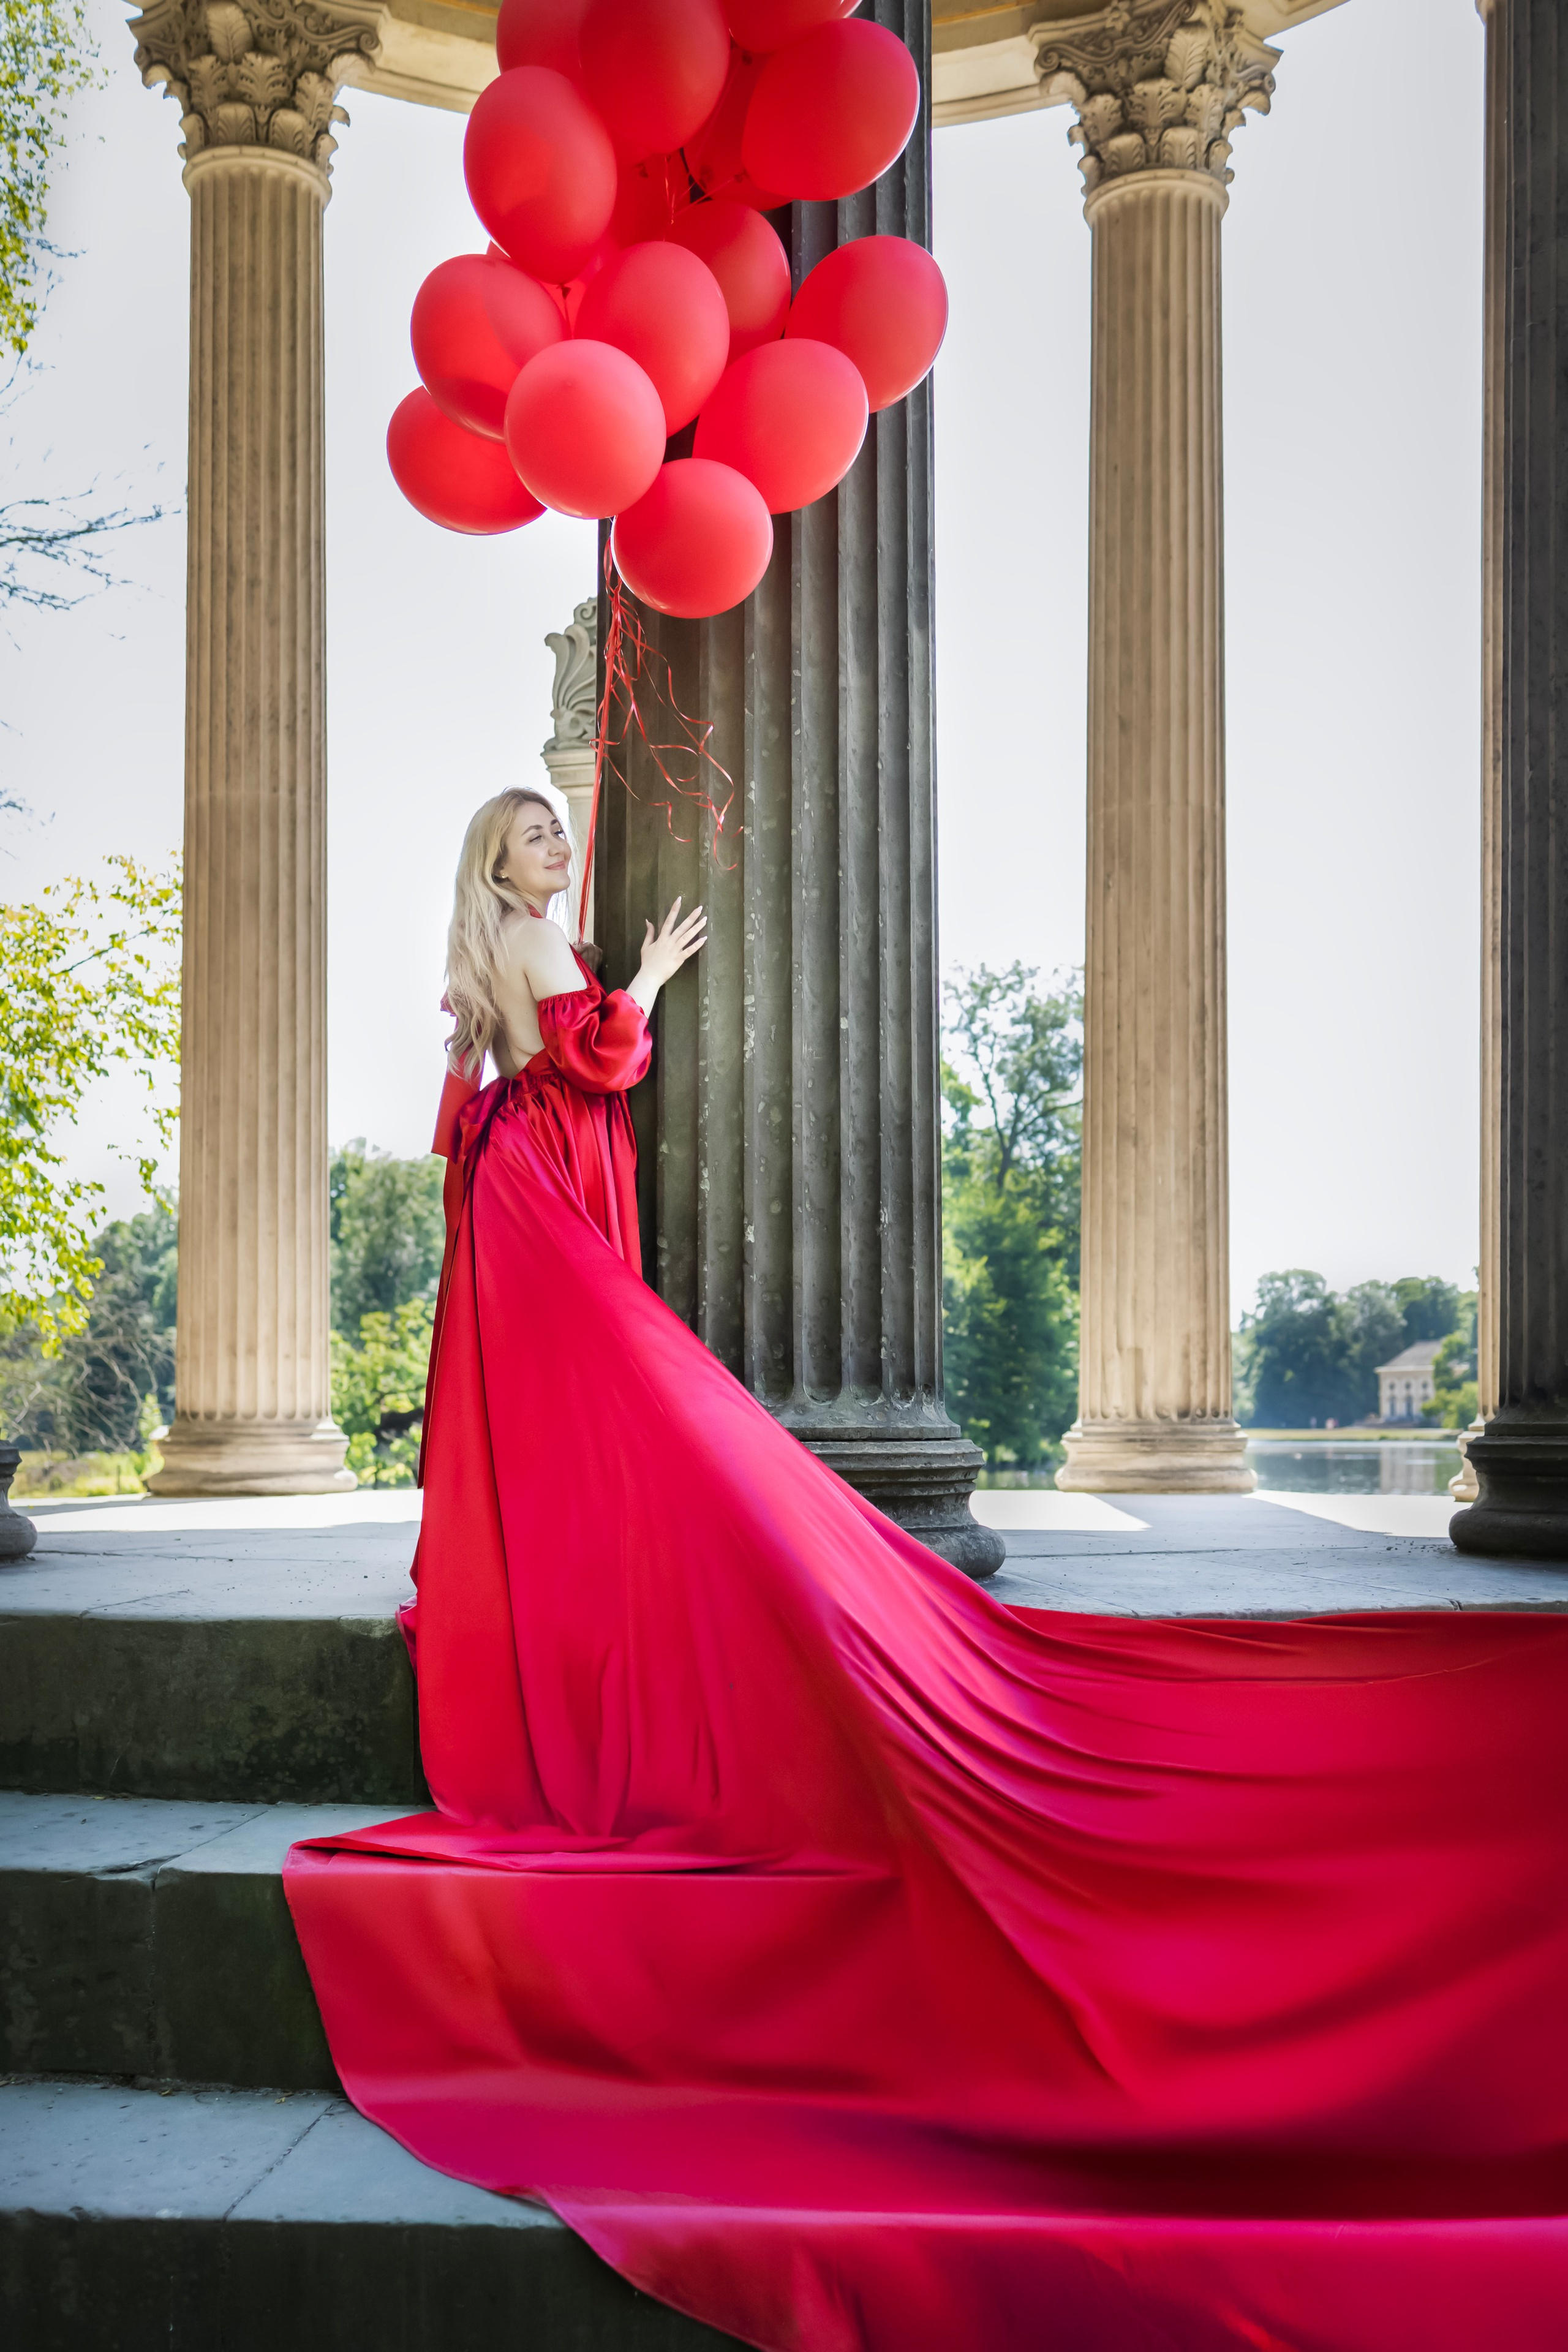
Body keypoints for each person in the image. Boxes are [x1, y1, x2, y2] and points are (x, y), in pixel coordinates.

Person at [285, 793, 1568, 2352]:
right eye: (537, 835)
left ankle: (547, 1571)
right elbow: (605, 1059)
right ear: (500, 859)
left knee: (565, 1408)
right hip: (544, 1182)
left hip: (505, 1186)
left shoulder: (478, 945)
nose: (558, 850)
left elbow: (474, 1095)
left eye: (560, 832)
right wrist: (654, 977)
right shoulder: (543, 943)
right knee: (642, 1397)